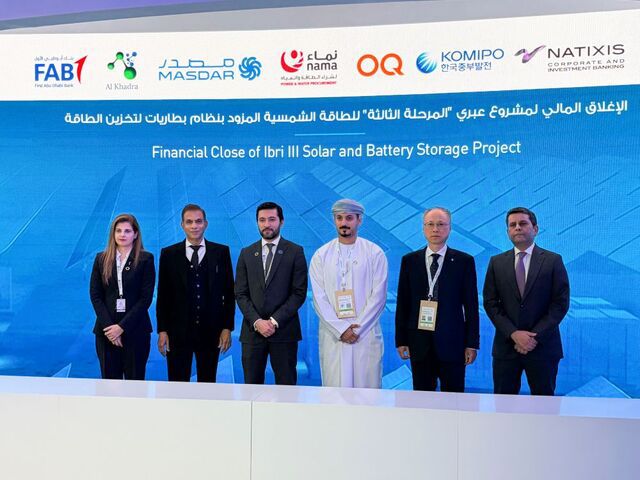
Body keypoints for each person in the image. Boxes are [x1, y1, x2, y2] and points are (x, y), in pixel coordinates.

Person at [483, 206, 570, 395]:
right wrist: (513, 334)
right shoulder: (496, 262)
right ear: (507, 231)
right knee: (503, 406)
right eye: (512, 225)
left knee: (544, 405)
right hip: (506, 347)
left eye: (523, 223)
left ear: (535, 229)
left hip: (543, 347)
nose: (517, 228)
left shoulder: (553, 261)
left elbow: (560, 303)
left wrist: (533, 337)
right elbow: (490, 303)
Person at [395, 207, 479, 392]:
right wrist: (401, 339)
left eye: (441, 224)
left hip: (453, 343)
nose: (435, 229)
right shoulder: (410, 261)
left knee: (454, 398)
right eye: (430, 224)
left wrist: (471, 343)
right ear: (423, 228)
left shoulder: (464, 261)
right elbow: (403, 303)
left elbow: (471, 306)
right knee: (422, 398)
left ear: (450, 228)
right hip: (419, 342)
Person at [310, 199, 388, 388]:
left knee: (367, 392)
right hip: (333, 336)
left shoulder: (374, 253)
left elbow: (378, 297)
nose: (344, 223)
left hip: (365, 335)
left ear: (359, 220)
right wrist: (341, 329)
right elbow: (319, 298)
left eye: (349, 218)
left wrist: (356, 329)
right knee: (335, 392)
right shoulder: (321, 255)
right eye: (339, 218)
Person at [156, 204, 235, 382]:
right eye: (189, 222)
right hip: (177, 332)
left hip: (211, 331)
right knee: (177, 383)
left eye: (198, 221)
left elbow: (229, 294)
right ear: (182, 225)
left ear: (206, 224)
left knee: (207, 382)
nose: (194, 226)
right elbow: (163, 296)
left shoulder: (221, 252)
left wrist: (226, 328)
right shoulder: (169, 254)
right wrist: (162, 330)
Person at [235, 201, 308, 385]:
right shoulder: (246, 253)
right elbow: (240, 293)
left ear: (281, 221)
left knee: (286, 386)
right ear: (257, 223)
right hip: (252, 332)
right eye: (262, 220)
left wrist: (273, 321)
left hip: (284, 331)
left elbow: (299, 293)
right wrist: (257, 322)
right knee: (251, 388)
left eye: (271, 219)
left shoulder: (295, 251)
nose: (267, 224)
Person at [90, 213, 155, 380]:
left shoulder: (146, 259)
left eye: (127, 231)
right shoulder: (101, 259)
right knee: (109, 385)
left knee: (135, 383)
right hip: (106, 332)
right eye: (118, 231)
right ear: (113, 234)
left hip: (136, 330)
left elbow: (145, 298)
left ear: (135, 234)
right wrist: (110, 329)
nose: (122, 235)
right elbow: (96, 295)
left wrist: (121, 327)